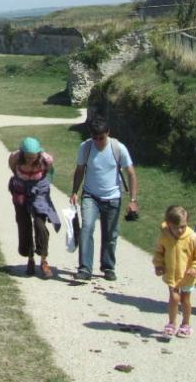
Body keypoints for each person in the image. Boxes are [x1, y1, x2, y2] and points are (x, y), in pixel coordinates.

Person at [70, 114, 139, 281]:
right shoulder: (86, 147)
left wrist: (133, 200)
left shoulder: (118, 148)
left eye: (101, 138)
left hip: (113, 197)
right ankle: (85, 268)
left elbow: (131, 174)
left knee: (110, 235)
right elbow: (80, 170)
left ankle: (108, 267)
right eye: (95, 138)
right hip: (90, 195)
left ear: (108, 132)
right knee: (86, 228)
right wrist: (74, 192)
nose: (99, 141)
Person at [153, 205, 196, 338]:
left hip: (187, 276)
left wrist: (195, 267)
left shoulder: (193, 238)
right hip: (172, 273)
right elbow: (159, 253)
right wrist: (159, 265)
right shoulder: (165, 237)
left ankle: (186, 324)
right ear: (168, 224)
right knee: (173, 298)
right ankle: (171, 323)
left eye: (183, 226)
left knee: (185, 300)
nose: (179, 230)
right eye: (175, 227)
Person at [8, 137, 60, 277]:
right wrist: (21, 180)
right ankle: (30, 258)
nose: (31, 160)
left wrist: (43, 187)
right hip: (20, 191)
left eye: (33, 157)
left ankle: (43, 259)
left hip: (39, 191)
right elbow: (12, 167)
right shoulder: (15, 157)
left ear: (39, 153)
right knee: (24, 225)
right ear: (22, 153)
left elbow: (50, 173)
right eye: (28, 157)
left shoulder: (46, 159)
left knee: (40, 225)